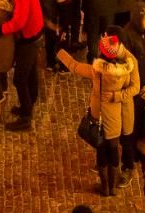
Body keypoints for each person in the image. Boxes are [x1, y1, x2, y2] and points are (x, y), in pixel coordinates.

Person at [57, 33, 139, 197]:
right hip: (115, 117)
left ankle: (105, 187)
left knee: (102, 151)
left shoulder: (96, 71)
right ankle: (114, 187)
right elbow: (134, 88)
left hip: (98, 115)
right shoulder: (125, 71)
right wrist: (117, 96)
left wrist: (59, 52)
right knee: (114, 150)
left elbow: (74, 66)